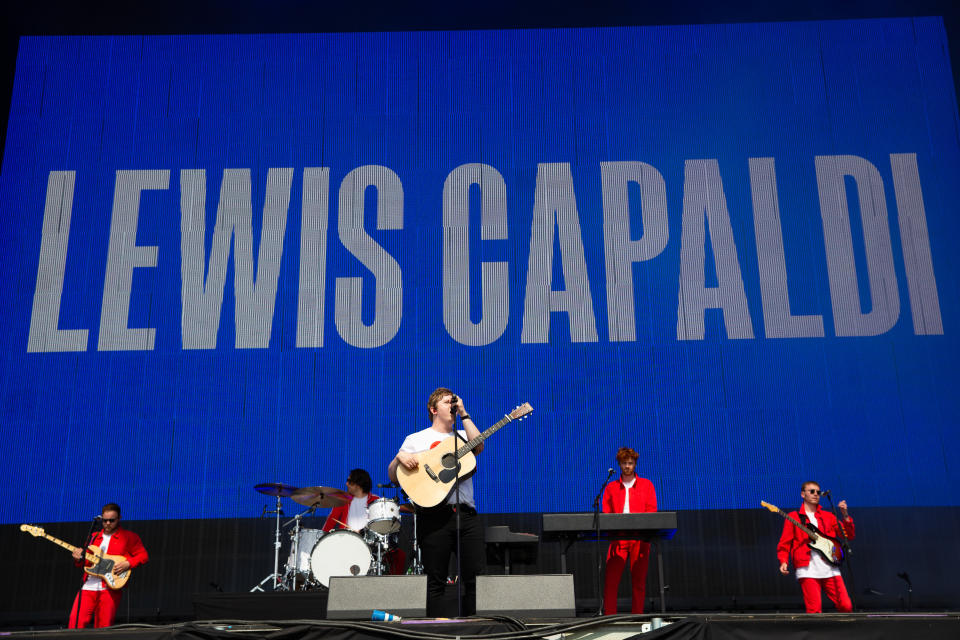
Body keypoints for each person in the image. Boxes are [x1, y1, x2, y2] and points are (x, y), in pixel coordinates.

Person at [388, 388, 484, 617]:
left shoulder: (462, 436)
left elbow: (478, 446)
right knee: (436, 579)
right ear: (433, 409)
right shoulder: (416, 439)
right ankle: (436, 629)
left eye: (453, 401)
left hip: (466, 514)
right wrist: (398, 457)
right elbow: (393, 475)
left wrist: (464, 412)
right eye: (445, 402)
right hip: (433, 516)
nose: (451, 404)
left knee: (475, 579)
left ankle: (476, 630)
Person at [777, 481, 855, 613]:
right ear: (803, 494)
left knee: (846, 606)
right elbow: (785, 543)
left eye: (818, 492)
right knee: (814, 611)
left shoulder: (828, 516)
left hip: (830, 567)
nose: (815, 494)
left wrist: (845, 515)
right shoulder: (794, 517)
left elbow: (848, 536)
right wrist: (783, 561)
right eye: (811, 491)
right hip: (808, 569)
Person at [68, 503, 148, 628]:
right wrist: (78, 559)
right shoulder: (93, 537)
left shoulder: (128, 537)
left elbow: (143, 556)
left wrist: (129, 563)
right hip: (88, 587)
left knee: (103, 628)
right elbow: (86, 563)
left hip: (110, 589)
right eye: (105, 520)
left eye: (112, 520)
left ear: (119, 518)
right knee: (75, 623)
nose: (108, 523)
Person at [602, 446, 657, 615]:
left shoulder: (647, 485)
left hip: (639, 540)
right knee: (611, 581)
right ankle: (608, 617)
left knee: (638, 582)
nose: (627, 466)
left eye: (630, 463)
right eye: (624, 463)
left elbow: (651, 510)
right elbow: (606, 512)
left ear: (635, 464)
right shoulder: (611, 487)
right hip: (618, 540)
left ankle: (637, 617)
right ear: (619, 464)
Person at [322, 468, 405, 575]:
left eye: (349, 481)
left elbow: (380, 526)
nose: (346, 484)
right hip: (346, 542)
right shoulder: (342, 501)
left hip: (370, 543)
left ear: (358, 484)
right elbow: (329, 525)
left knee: (399, 555)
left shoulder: (375, 501)